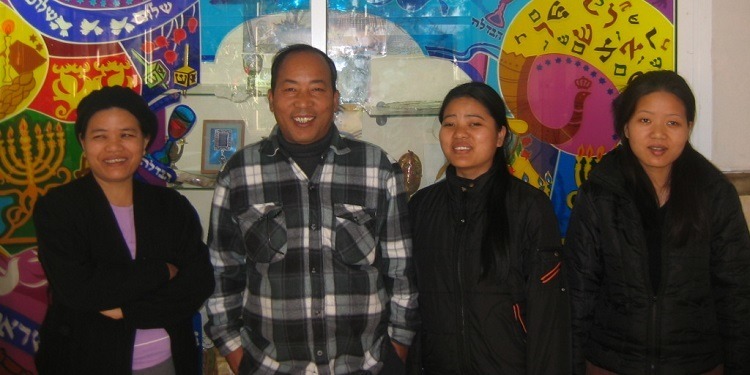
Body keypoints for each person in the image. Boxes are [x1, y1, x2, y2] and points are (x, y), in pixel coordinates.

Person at [203, 44, 419, 374]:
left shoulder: (376, 168)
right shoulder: (239, 173)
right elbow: (222, 273)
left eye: (316, 89)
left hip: (364, 365)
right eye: (290, 89)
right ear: (272, 98)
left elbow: (401, 272)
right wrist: (237, 354)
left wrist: (396, 350)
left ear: (335, 98)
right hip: (270, 366)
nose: (303, 102)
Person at [565, 70, 750, 374]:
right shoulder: (600, 193)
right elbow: (578, 292)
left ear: (689, 128)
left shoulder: (714, 194)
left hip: (697, 364)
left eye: (673, 123)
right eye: (645, 120)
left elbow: (737, 294)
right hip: (611, 363)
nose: (658, 134)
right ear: (626, 126)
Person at [33, 85, 215, 374]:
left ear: (144, 141)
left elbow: (198, 283)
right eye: (100, 136)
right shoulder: (58, 208)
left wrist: (127, 310)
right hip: (83, 362)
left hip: (166, 363)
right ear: (83, 141)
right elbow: (80, 290)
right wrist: (161, 271)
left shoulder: (171, 206)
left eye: (127, 135)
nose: (114, 147)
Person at [407, 81, 570, 374]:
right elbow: (412, 304)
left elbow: (548, 316)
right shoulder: (421, 207)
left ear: (500, 136)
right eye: (449, 123)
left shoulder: (529, 207)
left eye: (475, 123)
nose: (460, 134)